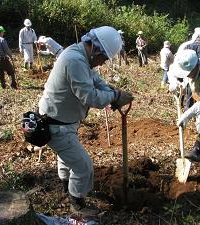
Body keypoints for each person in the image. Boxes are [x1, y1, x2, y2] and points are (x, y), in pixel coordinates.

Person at [38, 26, 133, 217]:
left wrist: (111, 90)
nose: (103, 63)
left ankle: (66, 187)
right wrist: (114, 97)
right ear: (97, 49)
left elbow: (94, 79)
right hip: (56, 124)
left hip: (62, 119)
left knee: (66, 157)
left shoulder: (79, 54)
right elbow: (88, 96)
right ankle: (77, 204)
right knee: (83, 166)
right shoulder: (75, 60)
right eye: (104, 58)